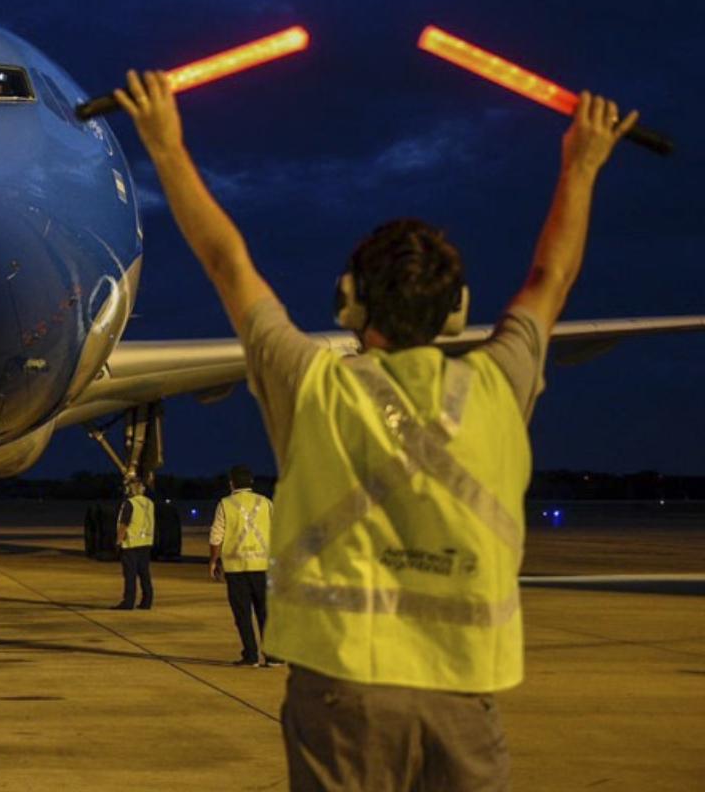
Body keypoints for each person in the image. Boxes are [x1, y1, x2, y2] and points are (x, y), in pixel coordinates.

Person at [116, 70, 638, 790]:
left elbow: (227, 263)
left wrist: (165, 147)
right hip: (462, 698)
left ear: (348, 303)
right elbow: (551, 278)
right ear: (458, 312)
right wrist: (583, 163)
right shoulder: (496, 386)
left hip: (343, 699)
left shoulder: (314, 386)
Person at [209, 465, 273, 666]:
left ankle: (251, 655)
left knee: (243, 614)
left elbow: (216, 536)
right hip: (262, 566)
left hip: (236, 568)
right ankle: (273, 657)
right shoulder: (266, 503)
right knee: (266, 613)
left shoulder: (225, 504)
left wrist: (213, 561)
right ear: (251, 482)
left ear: (231, 483)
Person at [112, 477, 154, 610]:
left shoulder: (130, 504)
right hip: (146, 543)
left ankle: (128, 602)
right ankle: (147, 600)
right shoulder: (149, 503)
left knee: (130, 575)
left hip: (131, 544)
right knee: (144, 573)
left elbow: (124, 524)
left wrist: (118, 541)